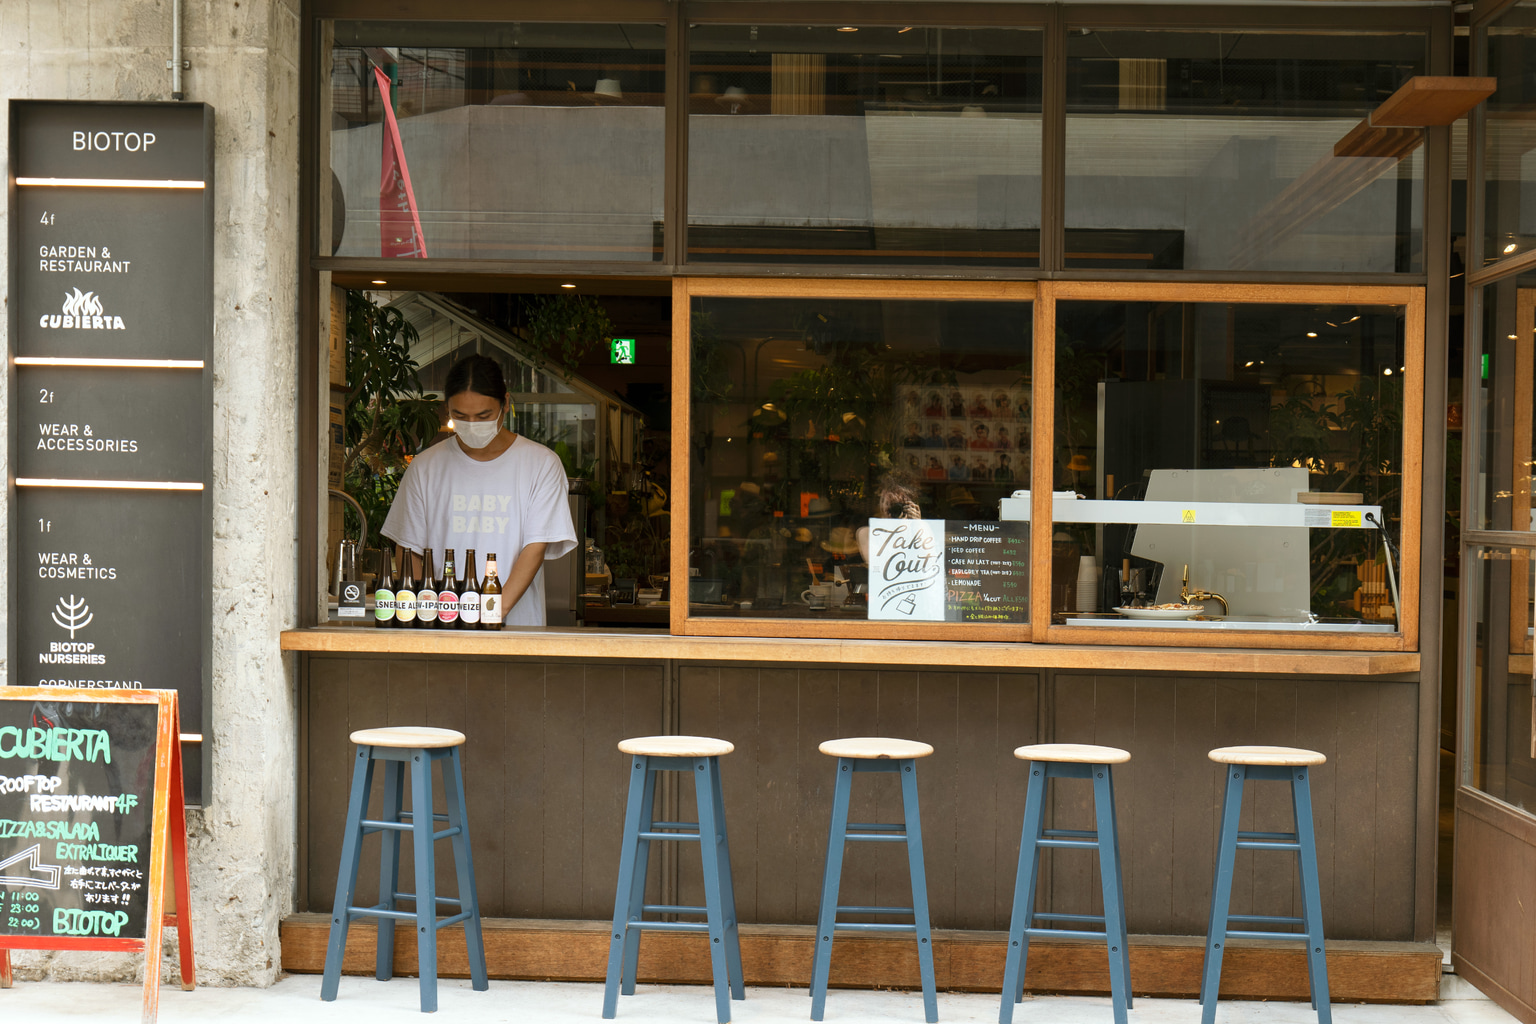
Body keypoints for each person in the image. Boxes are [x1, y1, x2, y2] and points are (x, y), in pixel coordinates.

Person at [381, 355, 577, 626]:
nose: (472, 425)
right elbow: (409, 548)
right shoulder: (425, 467)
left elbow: (534, 548)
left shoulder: (540, 464)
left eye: (483, 416)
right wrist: (427, 615)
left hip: (517, 631)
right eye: (460, 416)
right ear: (447, 409)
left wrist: (490, 615)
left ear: (505, 404)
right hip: (441, 628)